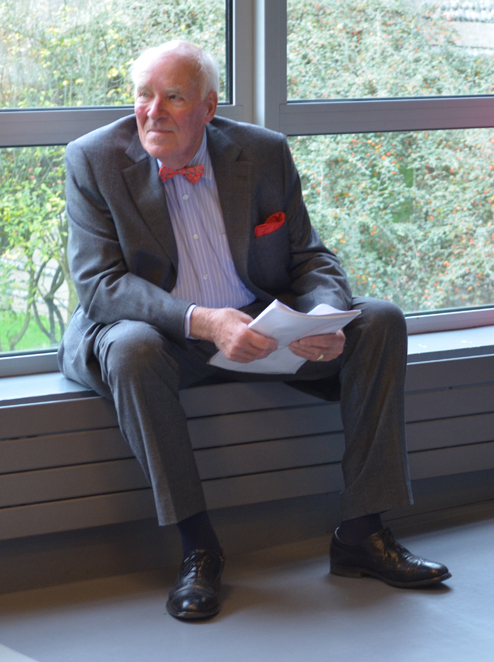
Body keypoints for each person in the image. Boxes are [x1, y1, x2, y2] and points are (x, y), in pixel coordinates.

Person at [58, 41, 449, 621]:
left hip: (260, 328)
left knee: (381, 320)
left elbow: (310, 256)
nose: (153, 111)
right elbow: (101, 285)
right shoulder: (92, 159)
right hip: (163, 335)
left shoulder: (262, 152)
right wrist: (204, 321)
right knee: (132, 349)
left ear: (208, 107)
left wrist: (322, 317)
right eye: (143, 95)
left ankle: (362, 533)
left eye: (173, 97)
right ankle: (198, 549)